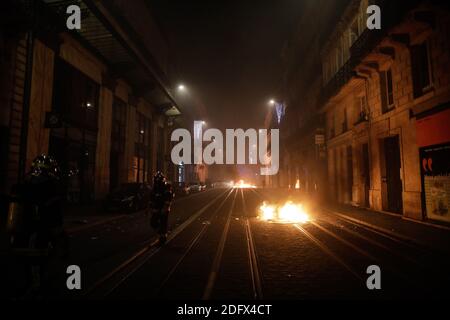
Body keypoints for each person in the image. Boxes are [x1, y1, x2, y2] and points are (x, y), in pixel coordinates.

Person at [10, 154, 69, 296]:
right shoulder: (51, 187)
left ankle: (31, 283)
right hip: (41, 230)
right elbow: (55, 213)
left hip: (23, 231)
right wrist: (59, 232)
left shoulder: (25, 184)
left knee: (26, 262)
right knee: (41, 260)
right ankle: (38, 285)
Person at [150, 171, 174, 245]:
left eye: (158, 180)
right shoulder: (155, 188)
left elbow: (168, 198)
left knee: (163, 222)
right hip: (157, 208)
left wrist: (165, 208)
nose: (156, 182)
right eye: (155, 180)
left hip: (164, 208)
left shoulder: (166, 187)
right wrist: (149, 208)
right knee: (153, 222)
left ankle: (163, 237)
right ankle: (160, 232)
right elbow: (152, 198)